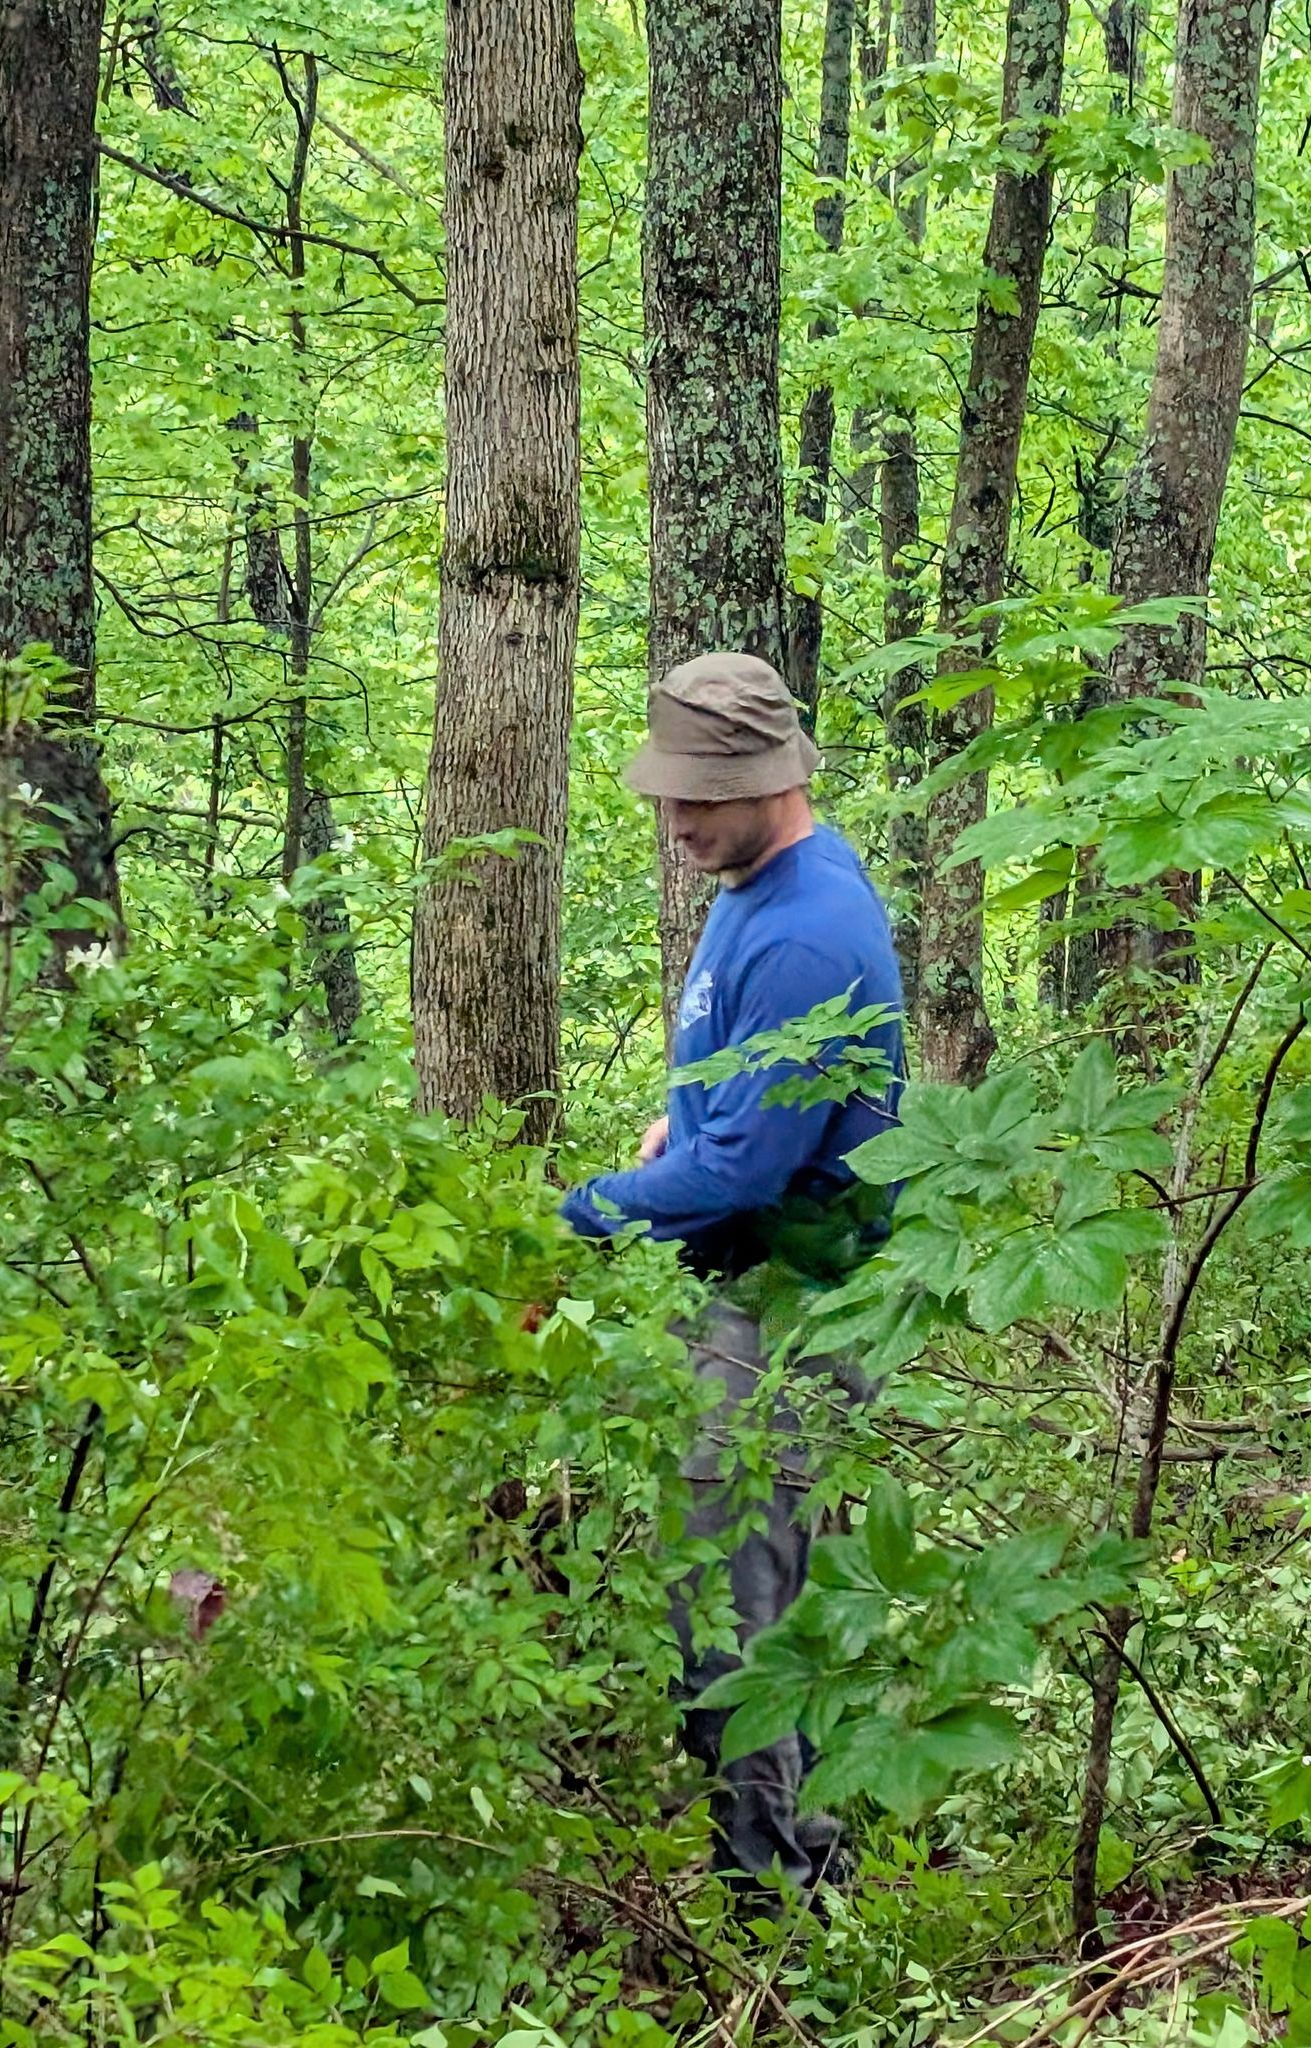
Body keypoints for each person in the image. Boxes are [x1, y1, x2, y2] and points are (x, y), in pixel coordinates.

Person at [560, 651, 904, 1901]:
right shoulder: (754, 879)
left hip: (790, 1310)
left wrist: (585, 1212)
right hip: (749, 1293)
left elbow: (748, 1175)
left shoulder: (811, 929)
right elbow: (737, 1099)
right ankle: (791, 1864)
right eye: (671, 794)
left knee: (738, 1606)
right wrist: (683, 1119)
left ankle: (783, 1906)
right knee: (740, 1586)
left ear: (773, 779)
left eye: (704, 792)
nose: (681, 817)